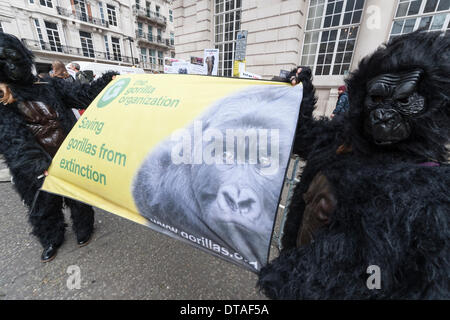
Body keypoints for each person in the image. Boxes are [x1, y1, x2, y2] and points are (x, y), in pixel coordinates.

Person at [0, 33, 117, 262]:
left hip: (69, 155)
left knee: (79, 199)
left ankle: (84, 228)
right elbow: (12, 139)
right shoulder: (4, 98)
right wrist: (38, 166)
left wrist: (108, 82)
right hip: (35, 169)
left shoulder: (50, 85)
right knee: (43, 207)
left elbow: (83, 96)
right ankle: (51, 239)